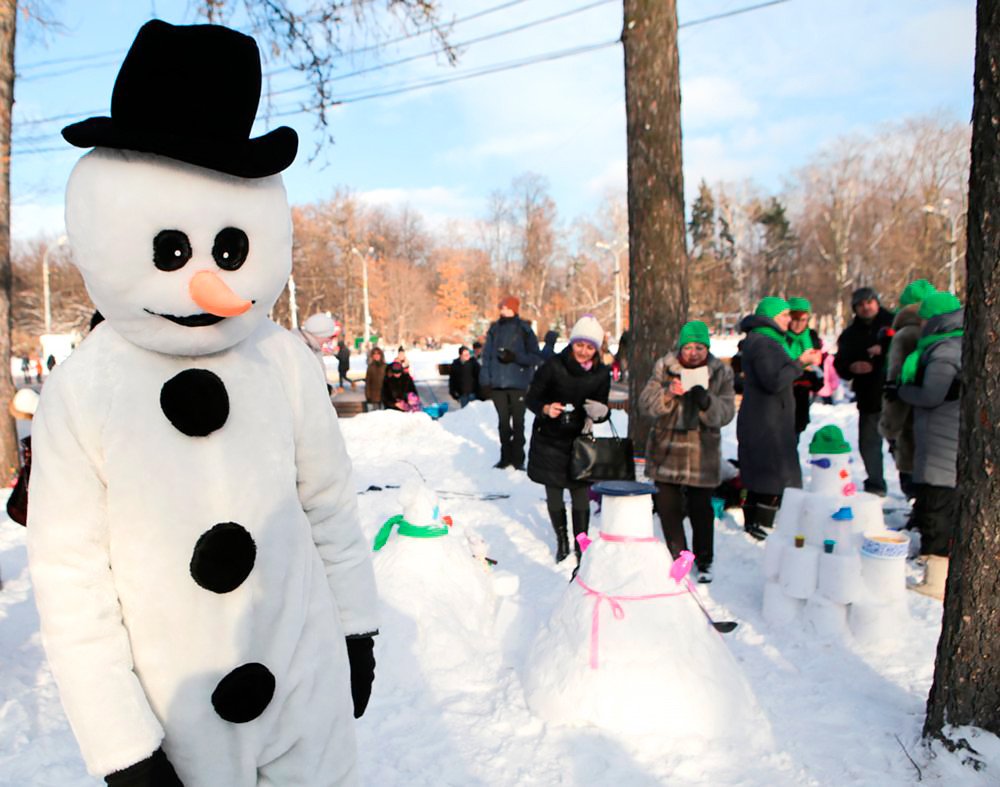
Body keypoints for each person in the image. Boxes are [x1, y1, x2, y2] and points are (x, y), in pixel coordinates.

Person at [639, 320, 735, 583]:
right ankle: (679, 555)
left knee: (701, 509)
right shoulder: (665, 367)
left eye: (700, 348)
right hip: (667, 450)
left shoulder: (720, 373)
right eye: (688, 347)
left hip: (701, 453)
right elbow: (645, 405)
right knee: (667, 506)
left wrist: (707, 402)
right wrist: (668, 394)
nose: (693, 353)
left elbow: (727, 412)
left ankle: (705, 560)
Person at [891, 291, 962, 600]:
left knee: (935, 508)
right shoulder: (958, 343)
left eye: (922, 319)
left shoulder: (944, 350)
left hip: (941, 443)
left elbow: (932, 395)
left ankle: (936, 581)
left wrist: (904, 391)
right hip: (947, 440)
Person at [526, 315, 610, 567]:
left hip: (579, 442)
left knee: (581, 495)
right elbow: (531, 398)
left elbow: (603, 409)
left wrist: (600, 412)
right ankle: (562, 540)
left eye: (589, 347)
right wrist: (545, 408)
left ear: (596, 348)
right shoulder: (553, 366)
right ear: (572, 343)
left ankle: (581, 542)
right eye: (579, 345)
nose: (584, 351)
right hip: (549, 439)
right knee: (554, 493)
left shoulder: (601, 373)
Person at [737, 297, 823, 539]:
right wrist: (800, 362)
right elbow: (773, 380)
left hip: (769, 418)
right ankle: (760, 526)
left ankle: (756, 524)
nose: (789, 320)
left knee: (765, 473)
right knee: (769, 475)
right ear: (772, 317)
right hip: (767, 421)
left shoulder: (766, 340)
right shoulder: (764, 342)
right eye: (785, 315)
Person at [833, 287, 894, 496]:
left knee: (902, 446)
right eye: (861, 304)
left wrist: (884, 349)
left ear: (877, 302)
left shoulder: (893, 323)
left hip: (896, 395)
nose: (866, 307)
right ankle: (876, 484)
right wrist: (851, 367)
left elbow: (908, 349)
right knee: (868, 444)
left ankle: (913, 488)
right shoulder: (850, 334)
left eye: (870, 302)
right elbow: (840, 363)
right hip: (868, 397)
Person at [880, 279, 937, 500]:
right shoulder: (942, 333)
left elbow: (895, 384)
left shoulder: (905, 336)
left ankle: (919, 514)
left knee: (912, 475)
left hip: (908, 420)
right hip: (936, 419)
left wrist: (890, 427)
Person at [479, 295, 543, 470]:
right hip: (498, 384)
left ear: (514, 309)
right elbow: (487, 357)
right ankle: (505, 457)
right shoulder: (495, 329)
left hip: (519, 383)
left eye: (506, 307)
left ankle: (518, 458)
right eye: (501, 307)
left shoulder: (524, 329)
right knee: (503, 423)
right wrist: (485, 380)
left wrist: (515, 357)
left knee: (519, 423)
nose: (503, 310)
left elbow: (536, 357)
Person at [785, 297, 824, 436]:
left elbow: (818, 366)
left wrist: (815, 377)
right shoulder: (781, 337)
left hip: (803, 393)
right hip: (783, 392)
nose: (798, 324)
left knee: (796, 431)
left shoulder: (811, 337)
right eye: (794, 319)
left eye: (803, 320)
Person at [299, 312, 336, 389]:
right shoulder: (300, 350)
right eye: (329, 337)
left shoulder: (314, 348)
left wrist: (327, 386)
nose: (328, 341)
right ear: (319, 334)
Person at [364, 346, 387, 411]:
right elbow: (367, 383)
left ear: (381, 355)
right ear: (372, 356)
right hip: (373, 397)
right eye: (374, 353)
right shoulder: (370, 367)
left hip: (384, 397)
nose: (376, 355)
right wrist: (368, 396)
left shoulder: (385, 366)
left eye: (378, 353)